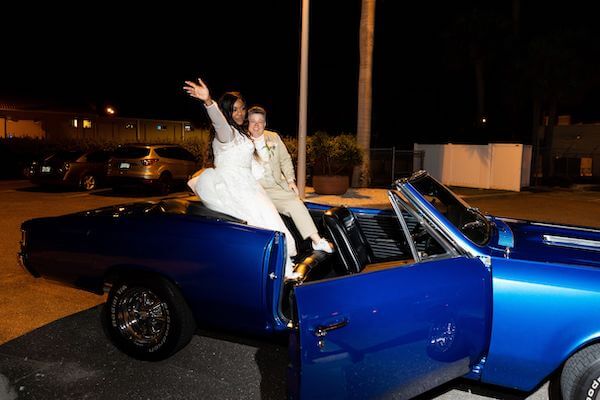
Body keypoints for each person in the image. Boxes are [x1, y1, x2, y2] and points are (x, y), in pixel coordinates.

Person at [183, 78, 299, 279]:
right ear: (227, 111)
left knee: (272, 225)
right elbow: (218, 120)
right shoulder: (226, 133)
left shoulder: (241, 133)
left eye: (242, 108)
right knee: (257, 230)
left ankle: (280, 272)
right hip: (234, 188)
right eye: (235, 109)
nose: (240, 113)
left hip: (250, 186)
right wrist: (209, 101)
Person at [246, 106, 333, 253]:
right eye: (253, 121)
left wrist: (290, 180)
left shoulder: (273, 137)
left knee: (296, 204)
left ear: (265, 123)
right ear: (247, 123)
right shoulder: (242, 140)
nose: (256, 125)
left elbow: (285, 160)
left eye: (260, 121)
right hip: (253, 189)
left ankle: (316, 241)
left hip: (274, 187)